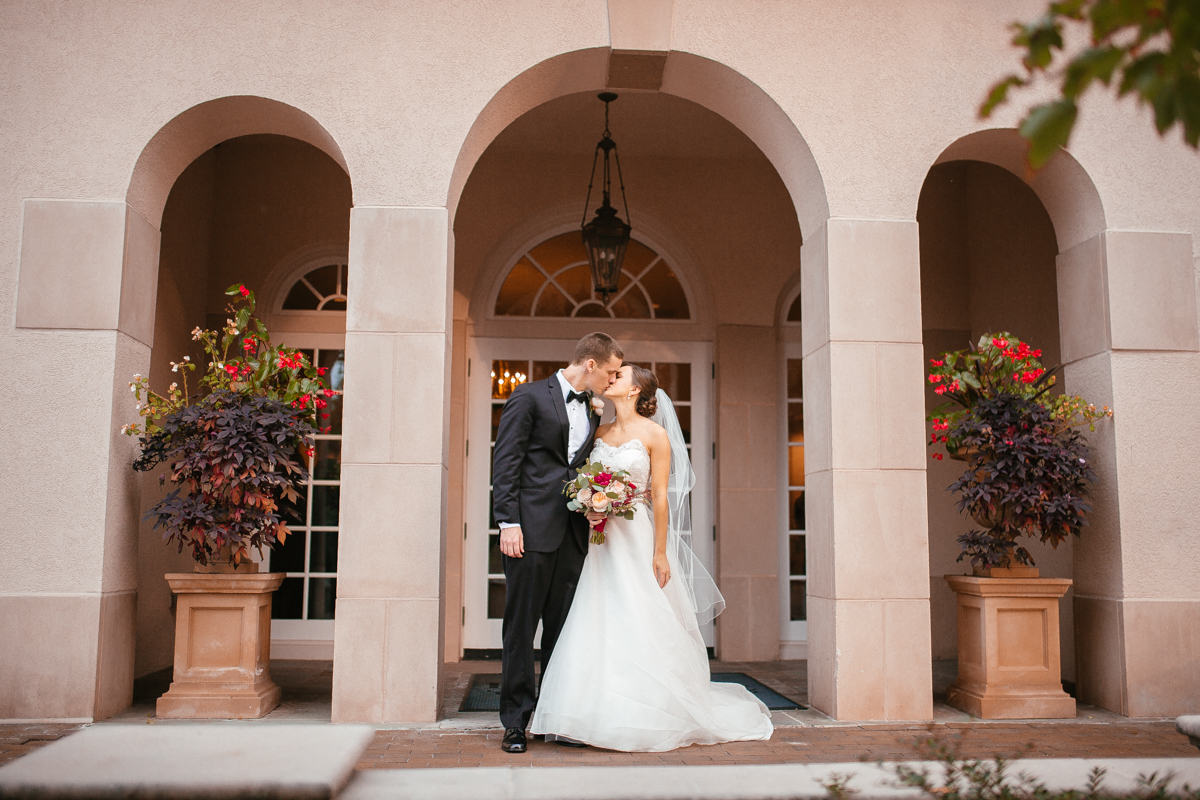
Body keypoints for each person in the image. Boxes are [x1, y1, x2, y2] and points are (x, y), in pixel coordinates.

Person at [530, 364, 773, 751]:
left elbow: (660, 497)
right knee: (597, 613)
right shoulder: (600, 431)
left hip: (637, 537)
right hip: (599, 540)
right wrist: (590, 505)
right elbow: (585, 479)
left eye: (620, 376)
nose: (611, 379)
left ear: (635, 390)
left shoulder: (655, 435)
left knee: (638, 612)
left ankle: (648, 709)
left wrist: (660, 552)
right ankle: (589, 710)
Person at [490, 332, 624, 754]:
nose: (612, 378)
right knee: (521, 627)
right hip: (529, 530)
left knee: (563, 629)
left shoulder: (596, 409)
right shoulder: (528, 397)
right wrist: (507, 522)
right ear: (590, 364)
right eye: (610, 371)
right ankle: (515, 722)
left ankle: (552, 715)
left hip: (572, 533)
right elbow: (506, 461)